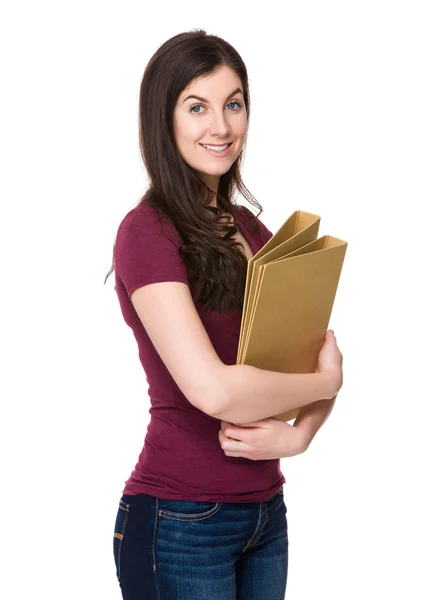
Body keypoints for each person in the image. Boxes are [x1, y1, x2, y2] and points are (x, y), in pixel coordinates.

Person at [105, 29, 343, 600]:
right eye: (197, 107)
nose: (221, 126)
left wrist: (301, 435)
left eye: (233, 104)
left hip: (265, 516)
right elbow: (215, 392)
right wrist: (327, 383)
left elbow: (306, 357)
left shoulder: (254, 231)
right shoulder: (147, 233)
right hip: (179, 519)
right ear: (162, 119)